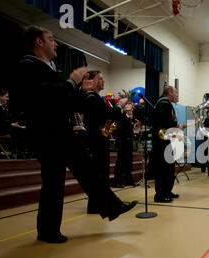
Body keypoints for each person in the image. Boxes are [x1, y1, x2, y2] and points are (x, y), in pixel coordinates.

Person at [13, 25, 137, 243]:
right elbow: (46, 96)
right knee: (55, 180)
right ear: (38, 42)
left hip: (59, 131)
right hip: (48, 132)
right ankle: (49, 231)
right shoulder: (28, 65)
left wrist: (81, 89)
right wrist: (71, 81)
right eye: (51, 38)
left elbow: (65, 99)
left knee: (83, 170)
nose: (56, 43)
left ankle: (111, 207)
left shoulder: (46, 66)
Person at [83, 71, 123, 213]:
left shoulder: (96, 98)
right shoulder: (91, 97)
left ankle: (99, 204)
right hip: (96, 139)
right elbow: (109, 113)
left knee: (102, 172)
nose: (103, 81)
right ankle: (98, 205)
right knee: (99, 172)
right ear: (91, 81)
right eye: (100, 79)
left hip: (100, 138)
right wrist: (119, 107)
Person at [151, 85, 185, 202]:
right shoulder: (164, 103)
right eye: (175, 92)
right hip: (161, 142)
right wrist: (177, 126)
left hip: (166, 141)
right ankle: (160, 195)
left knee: (169, 168)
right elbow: (165, 122)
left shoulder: (165, 104)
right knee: (163, 168)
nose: (177, 95)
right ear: (169, 92)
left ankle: (167, 191)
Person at [112, 102, 136, 188]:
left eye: (130, 106)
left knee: (129, 162)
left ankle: (128, 180)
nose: (129, 107)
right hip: (122, 142)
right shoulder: (121, 116)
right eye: (127, 105)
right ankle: (116, 181)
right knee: (120, 162)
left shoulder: (131, 118)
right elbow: (122, 129)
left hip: (129, 142)